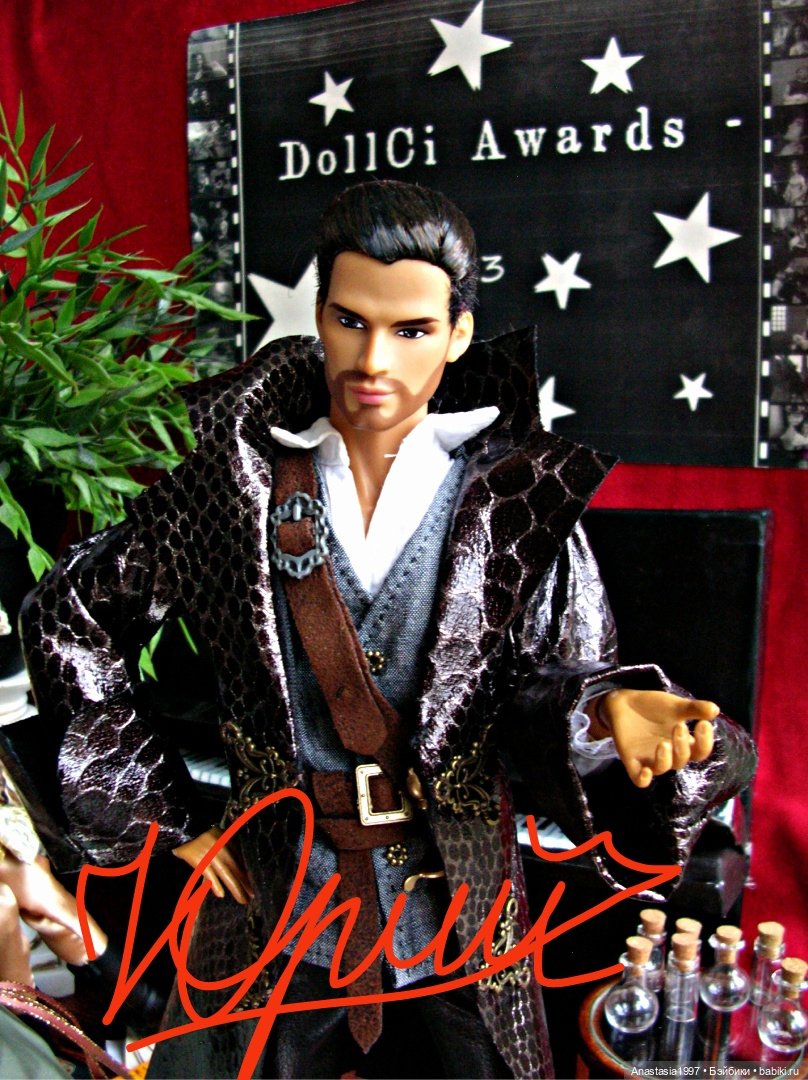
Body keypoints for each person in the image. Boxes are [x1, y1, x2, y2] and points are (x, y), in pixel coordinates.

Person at [20, 181, 756, 1078]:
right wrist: (162, 817)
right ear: (320, 317)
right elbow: (72, 613)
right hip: (277, 895)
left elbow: (553, 683)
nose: (374, 359)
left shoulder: (513, 504)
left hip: (461, 902)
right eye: (350, 321)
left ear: (457, 334)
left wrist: (608, 711)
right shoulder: (233, 490)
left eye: (410, 330)